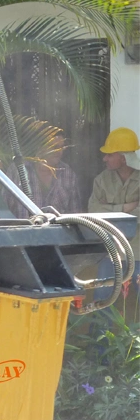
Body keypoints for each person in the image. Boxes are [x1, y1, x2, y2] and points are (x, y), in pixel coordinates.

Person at [88, 127, 140, 298]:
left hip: (138, 251)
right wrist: (125, 208)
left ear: (123, 158)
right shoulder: (101, 180)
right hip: (111, 251)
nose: (105, 158)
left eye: (110, 155)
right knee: (101, 298)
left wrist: (110, 209)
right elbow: (94, 211)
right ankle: (101, 327)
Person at [5, 131, 81, 218]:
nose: (59, 152)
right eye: (55, 147)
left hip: (58, 231)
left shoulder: (68, 174)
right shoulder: (18, 170)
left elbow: (75, 215)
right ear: (40, 147)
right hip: (23, 230)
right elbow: (3, 210)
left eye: (61, 147)